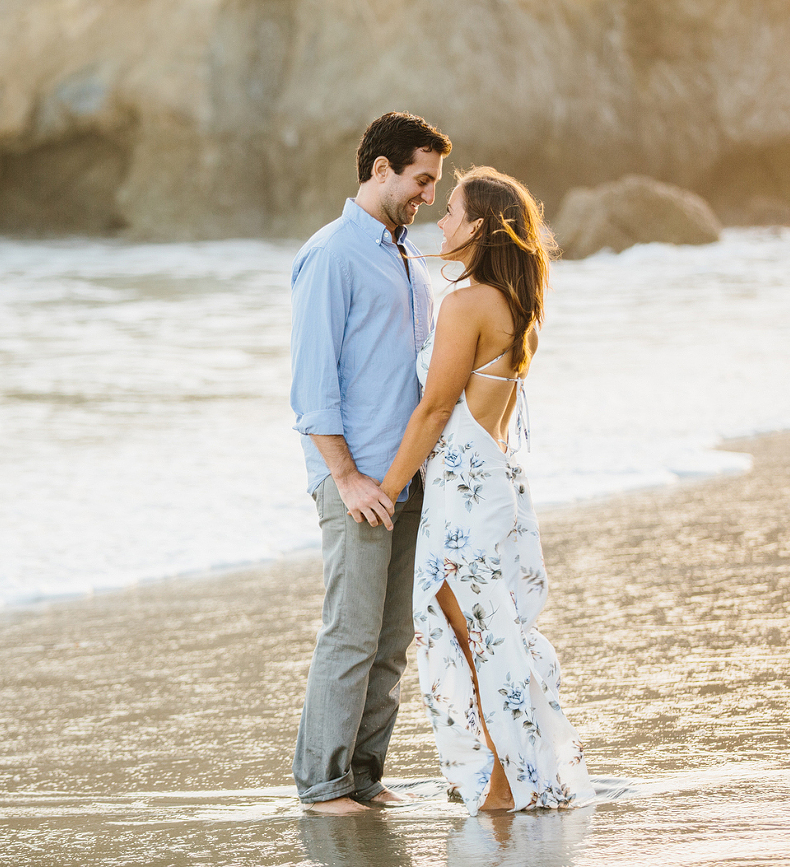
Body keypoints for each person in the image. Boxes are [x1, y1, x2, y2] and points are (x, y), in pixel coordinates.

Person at [378, 166, 595, 814]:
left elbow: (435, 407)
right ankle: (512, 776)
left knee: (475, 642)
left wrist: (386, 490)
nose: (439, 220)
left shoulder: (469, 303)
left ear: (478, 227)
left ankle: (508, 784)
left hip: (465, 503)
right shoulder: (508, 304)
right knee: (483, 638)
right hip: (483, 491)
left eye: (451, 210)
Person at [289, 111, 452, 815]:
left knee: (389, 643)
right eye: (420, 179)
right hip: (357, 482)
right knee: (350, 635)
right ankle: (322, 785)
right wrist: (346, 476)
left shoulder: (402, 253)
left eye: (434, 184)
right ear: (380, 169)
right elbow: (309, 384)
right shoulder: (331, 254)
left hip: (407, 478)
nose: (428, 195)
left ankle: (362, 775)